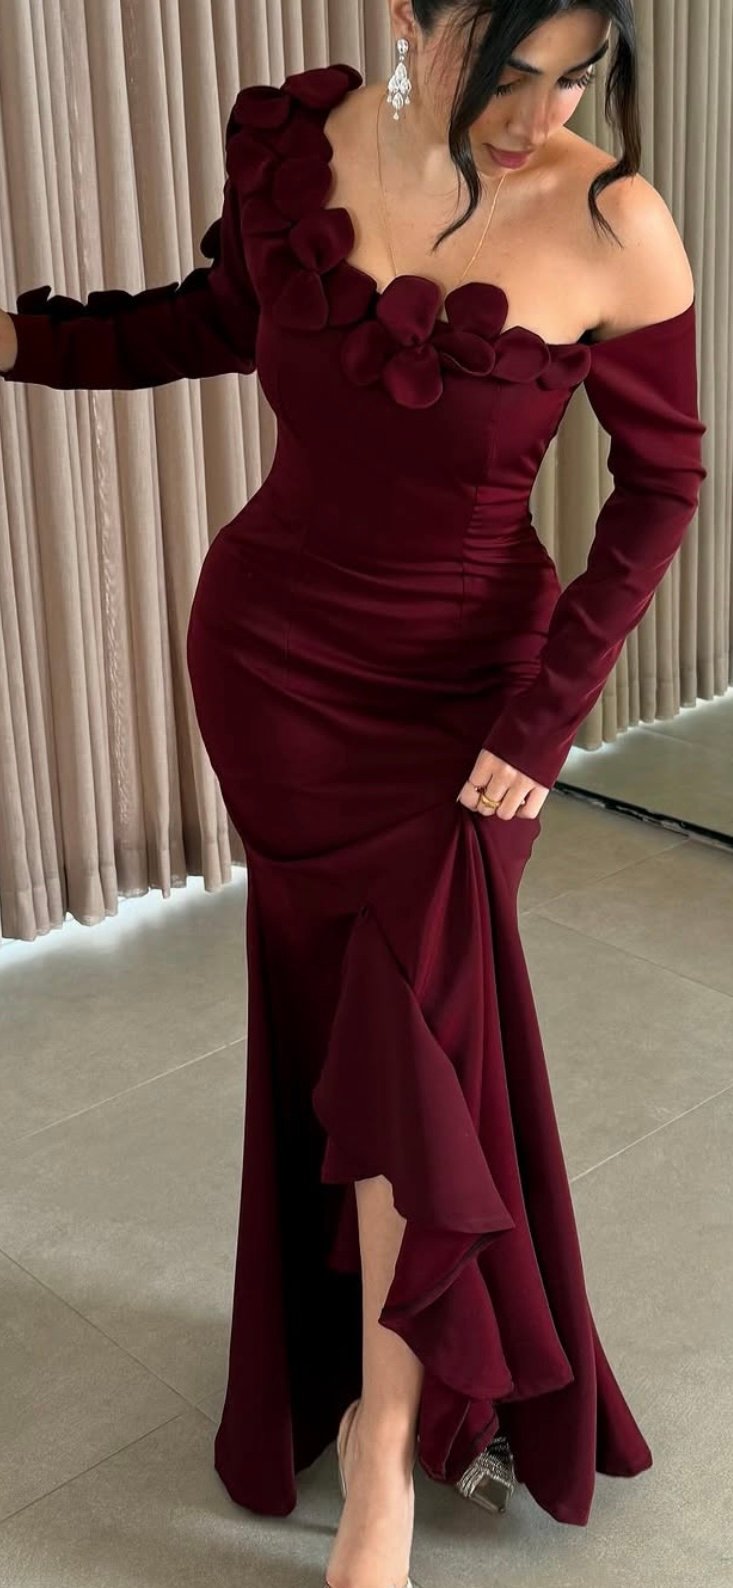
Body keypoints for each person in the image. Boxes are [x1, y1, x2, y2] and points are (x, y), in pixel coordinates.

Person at [0, 2, 708, 1586]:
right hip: (274, 667)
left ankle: (384, 1440)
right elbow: (208, 322)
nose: (541, 114)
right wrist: (20, 341)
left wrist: (542, 723)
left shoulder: (615, 225)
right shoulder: (295, 148)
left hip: (471, 707)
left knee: (409, 1036)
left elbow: (662, 487)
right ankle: (379, 1386)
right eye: (506, 71)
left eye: (576, 76)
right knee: (363, 1037)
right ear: (408, 18)